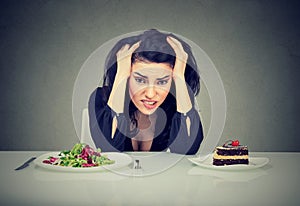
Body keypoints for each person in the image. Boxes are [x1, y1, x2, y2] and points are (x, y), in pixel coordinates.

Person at [88, 29, 203, 155]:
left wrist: (180, 77)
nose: (150, 94)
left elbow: (187, 150)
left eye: (162, 82)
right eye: (140, 80)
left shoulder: (178, 103)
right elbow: (108, 150)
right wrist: (121, 75)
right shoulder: (101, 98)